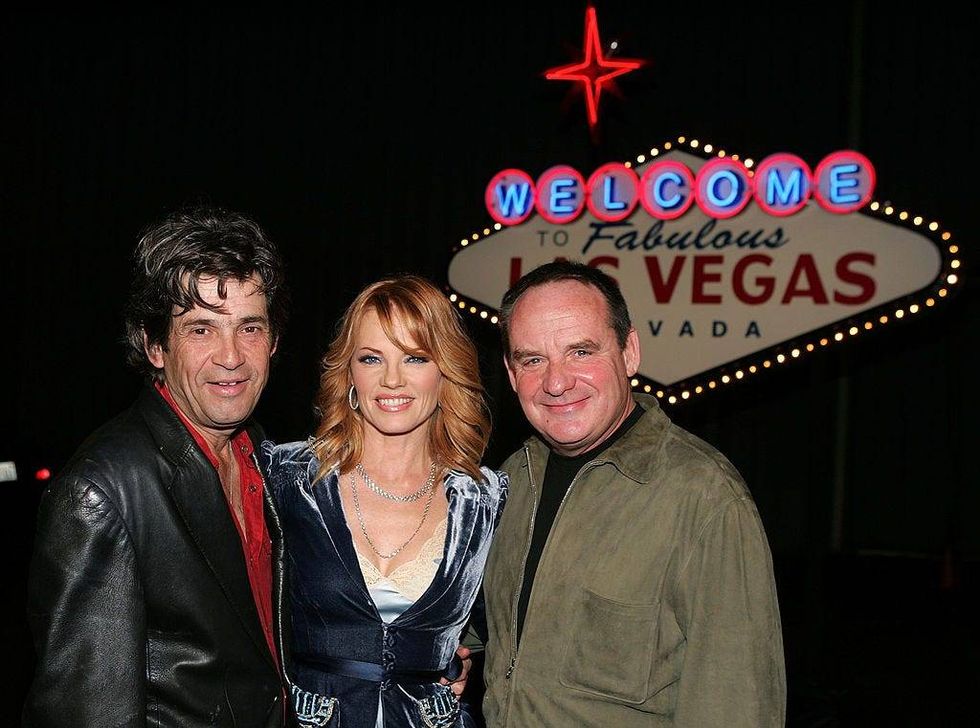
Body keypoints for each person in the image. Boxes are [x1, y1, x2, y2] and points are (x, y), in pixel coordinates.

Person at [481, 261, 786, 727]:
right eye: (532, 359)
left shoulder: (702, 497)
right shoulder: (512, 480)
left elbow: (738, 704)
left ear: (629, 353)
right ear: (510, 371)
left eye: (581, 352)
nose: (556, 382)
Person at [23, 206, 295, 727]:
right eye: (201, 330)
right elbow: (87, 714)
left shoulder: (265, 456)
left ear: (274, 341)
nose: (231, 356)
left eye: (250, 328)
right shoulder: (101, 493)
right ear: (154, 346)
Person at [261, 275, 507, 727]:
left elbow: (508, 626)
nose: (392, 379)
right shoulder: (288, 479)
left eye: (415, 357)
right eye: (372, 358)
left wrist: (456, 658)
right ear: (349, 372)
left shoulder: (485, 499)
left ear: (445, 372)